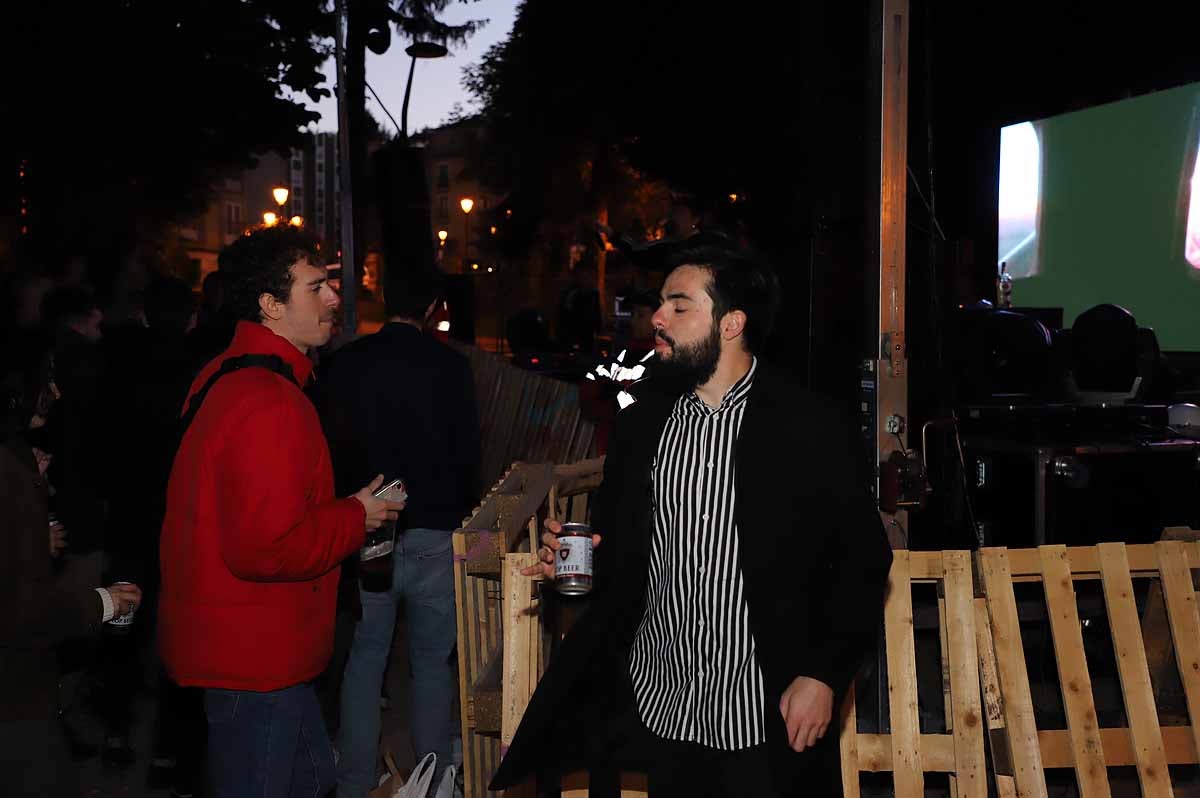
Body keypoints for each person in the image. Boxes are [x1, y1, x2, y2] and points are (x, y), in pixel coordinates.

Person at [490, 237, 893, 797]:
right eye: (660, 303)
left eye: (680, 306)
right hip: (664, 703)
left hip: (764, 713)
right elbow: (620, 554)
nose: (657, 318)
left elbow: (863, 561)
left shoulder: (807, 425)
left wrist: (823, 673)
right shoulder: (642, 422)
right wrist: (573, 563)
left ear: (731, 324)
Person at [157, 226, 406, 798]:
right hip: (255, 659)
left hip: (255, 651)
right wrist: (357, 515)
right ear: (271, 305)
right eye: (316, 287)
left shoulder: (230, 374)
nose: (335, 299)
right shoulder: (266, 400)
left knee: (315, 775)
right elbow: (266, 546)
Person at [318, 265, 481, 798]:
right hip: (435, 527)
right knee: (433, 661)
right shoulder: (451, 368)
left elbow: (333, 451)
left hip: (369, 528)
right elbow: (467, 456)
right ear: (434, 307)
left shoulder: (345, 364)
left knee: (366, 658)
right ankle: (434, 778)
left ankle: (355, 779)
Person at [0, 332, 142, 796]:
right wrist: (103, 603)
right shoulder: (12, 473)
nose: (55, 392)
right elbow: (24, 610)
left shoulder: (17, 462)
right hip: (15, 694)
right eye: (46, 380)